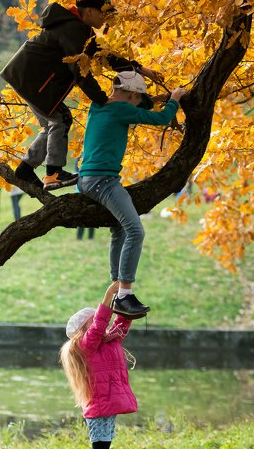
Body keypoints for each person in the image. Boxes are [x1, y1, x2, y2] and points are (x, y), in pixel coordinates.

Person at [0, 0, 164, 191]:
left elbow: (103, 56)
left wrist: (140, 68)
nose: (106, 18)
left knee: (54, 123)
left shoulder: (78, 29)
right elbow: (79, 71)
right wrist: (102, 99)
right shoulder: (73, 30)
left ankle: (25, 170)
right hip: (31, 79)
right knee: (60, 120)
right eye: (104, 13)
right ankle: (53, 173)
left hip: (25, 77)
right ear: (89, 11)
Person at [78, 71, 186, 318]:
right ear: (129, 95)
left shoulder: (99, 105)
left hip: (86, 179)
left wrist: (158, 96)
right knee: (135, 230)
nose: (139, 104)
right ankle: (125, 294)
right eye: (137, 99)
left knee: (119, 228)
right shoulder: (122, 110)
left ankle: (117, 288)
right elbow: (160, 118)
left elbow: (143, 104)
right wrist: (175, 99)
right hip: (102, 181)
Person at [60, 282, 139, 449]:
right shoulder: (87, 345)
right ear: (86, 328)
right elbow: (99, 325)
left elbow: (120, 324)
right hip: (99, 410)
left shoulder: (106, 342)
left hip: (106, 408)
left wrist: (125, 302)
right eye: (95, 322)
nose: (101, 325)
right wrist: (108, 294)